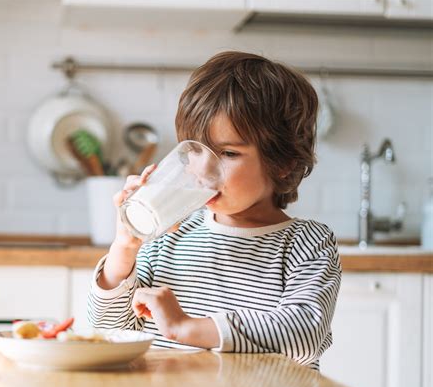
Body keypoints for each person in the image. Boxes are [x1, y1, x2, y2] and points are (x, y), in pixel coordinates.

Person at [87, 51, 342, 370]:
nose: (202, 171)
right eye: (194, 150)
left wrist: (186, 327)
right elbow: (109, 331)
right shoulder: (168, 235)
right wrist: (123, 249)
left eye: (227, 153)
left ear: (283, 162)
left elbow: (303, 335)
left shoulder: (306, 244)